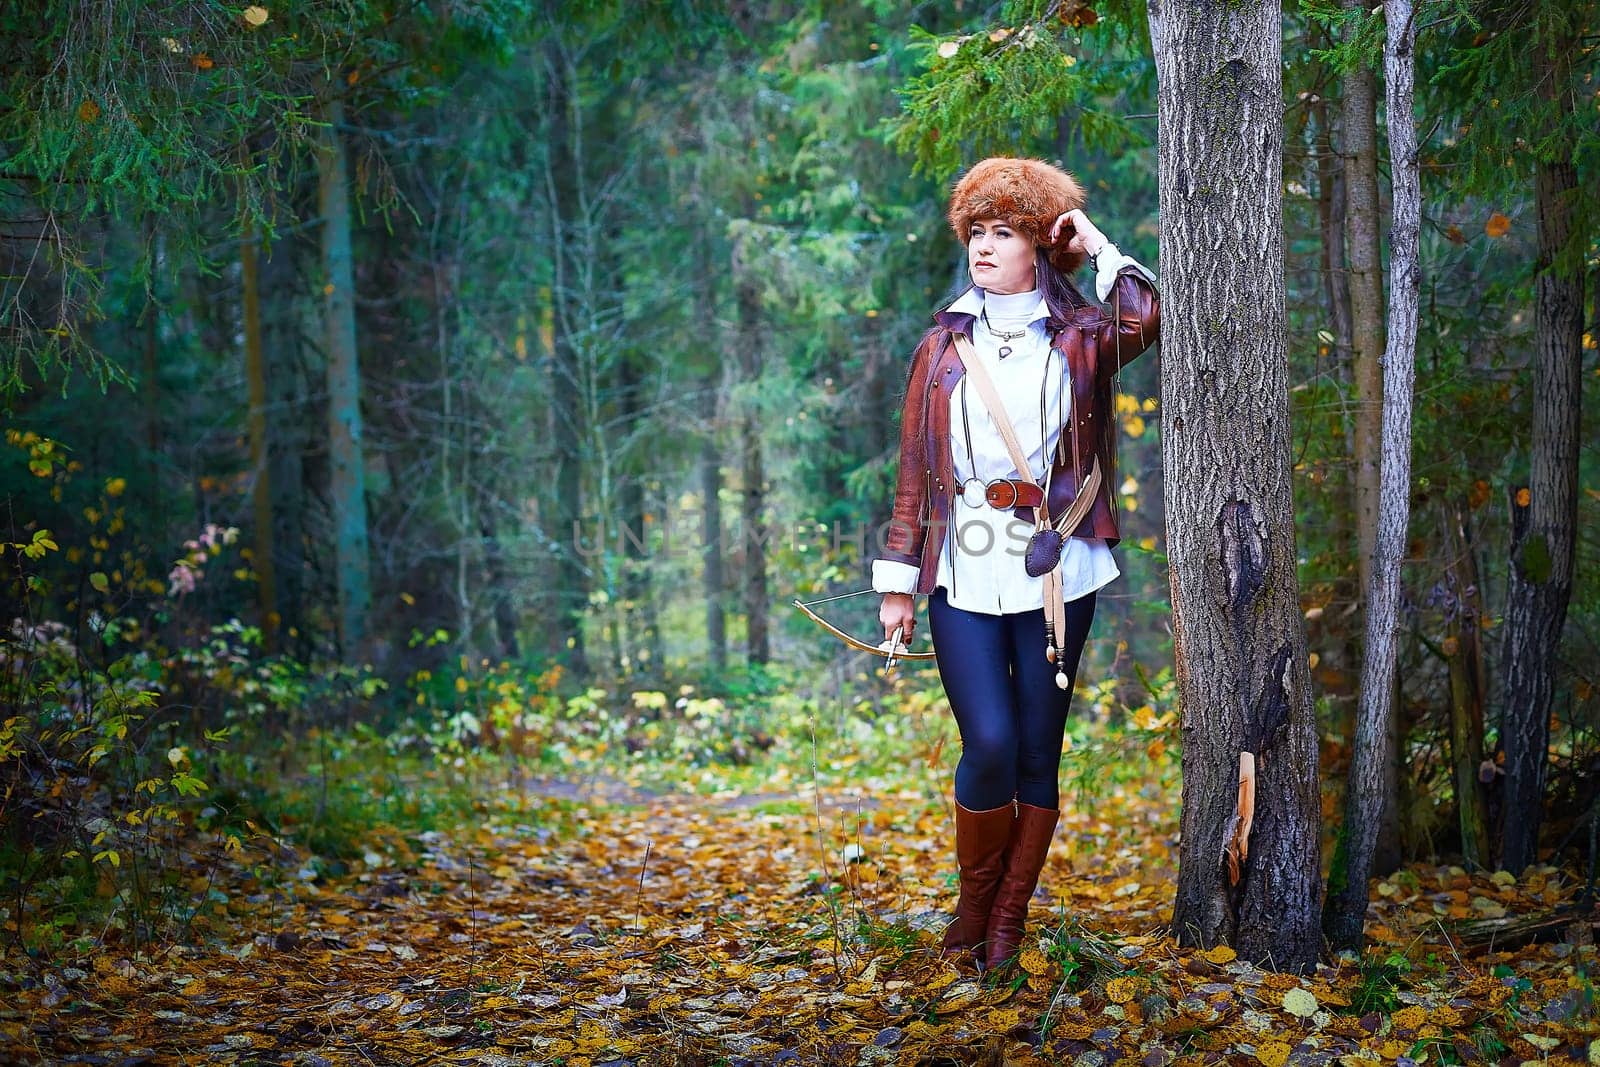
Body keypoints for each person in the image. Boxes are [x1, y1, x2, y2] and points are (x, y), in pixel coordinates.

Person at [871, 157, 1160, 970]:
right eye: (976, 232)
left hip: (1059, 567)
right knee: (989, 741)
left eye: (1005, 232)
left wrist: (1091, 240)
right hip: (961, 567)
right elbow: (912, 470)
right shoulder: (940, 347)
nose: (984, 247)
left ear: (1040, 243)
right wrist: (898, 583)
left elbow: (1148, 311)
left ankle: (1007, 921)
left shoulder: (1081, 337)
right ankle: (974, 900)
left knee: (1040, 748)